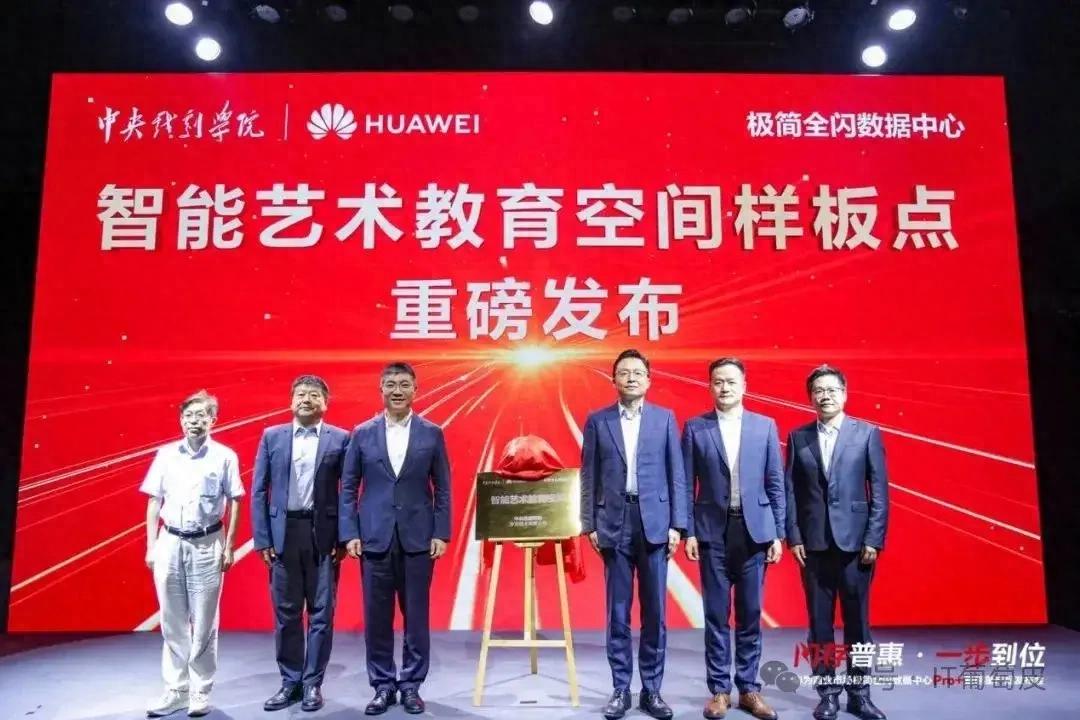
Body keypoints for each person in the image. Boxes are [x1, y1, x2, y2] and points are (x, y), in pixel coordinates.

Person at [580, 349, 687, 720]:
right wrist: (589, 524)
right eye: (624, 372)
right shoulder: (598, 421)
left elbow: (677, 474)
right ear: (613, 380)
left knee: (655, 612)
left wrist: (678, 524)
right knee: (618, 613)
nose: (631, 378)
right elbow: (588, 476)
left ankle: (652, 691)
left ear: (648, 380)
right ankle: (621, 689)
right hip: (614, 522)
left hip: (655, 523)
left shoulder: (664, 419)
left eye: (637, 372)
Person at [340, 362, 451, 715]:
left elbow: (443, 488)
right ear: (381, 390)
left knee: (416, 617)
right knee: (377, 618)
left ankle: (412, 685)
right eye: (390, 384)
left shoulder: (432, 433)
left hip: (418, 539)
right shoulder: (362, 433)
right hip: (374, 538)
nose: (397, 390)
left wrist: (441, 532)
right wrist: (350, 532)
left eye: (404, 384)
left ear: (416, 390)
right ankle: (383, 685)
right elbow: (348, 487)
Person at [682, 358, 785, 720]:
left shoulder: (764, 426)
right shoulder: (696, 428)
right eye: (717, 382)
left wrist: (778, 533)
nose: (724, 388)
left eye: (731, 381)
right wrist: (689, 531)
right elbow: (685, 484)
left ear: (744, 386)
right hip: (712, 532)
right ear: (710, 386)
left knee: (750, 613)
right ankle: (719, 691)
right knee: (715, 614)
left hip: (755, 532)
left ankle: (749, 689)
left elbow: (775, 483)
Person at [785, 365, 889, 720]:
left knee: (858, 624)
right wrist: (794, 536)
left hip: (857, 546)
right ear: (810, 397)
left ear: (844, 394)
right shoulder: (798, 438)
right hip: (813, 545)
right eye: (818, 390)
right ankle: (827, 693)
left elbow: (879, 491)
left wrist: (874, 537)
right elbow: (790, 491)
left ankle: (860, 694)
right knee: (819, 624)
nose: (824, 395)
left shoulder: (866, 433)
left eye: (831, 389)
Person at [142, 390, 244, 718]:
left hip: (207, 543)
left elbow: (236, 500)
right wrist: (151, 546)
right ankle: (176, 689)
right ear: (181, 420)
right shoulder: (166, 455)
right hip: (170, 541)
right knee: (172, 619)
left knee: (204, 621)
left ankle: (200, 689)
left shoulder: (225, 456)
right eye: (188, 416)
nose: (194, 421)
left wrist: (229, 546)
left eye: (201, 415)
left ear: (213, 420)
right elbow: (154, 501)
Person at [252, 375, 350, 712]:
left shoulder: (341, 439)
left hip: (323, 536)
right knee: (286, 613)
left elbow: (348, 491)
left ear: (325, 402)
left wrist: (345, 536)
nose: (306, 399)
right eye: (300, 394)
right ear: (291, 400)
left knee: (322, 613)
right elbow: (259, 490)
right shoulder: (272, 436)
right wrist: (263, 537)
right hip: (284, 534)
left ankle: (312, 685)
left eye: (313, 395)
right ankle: (290, 682)